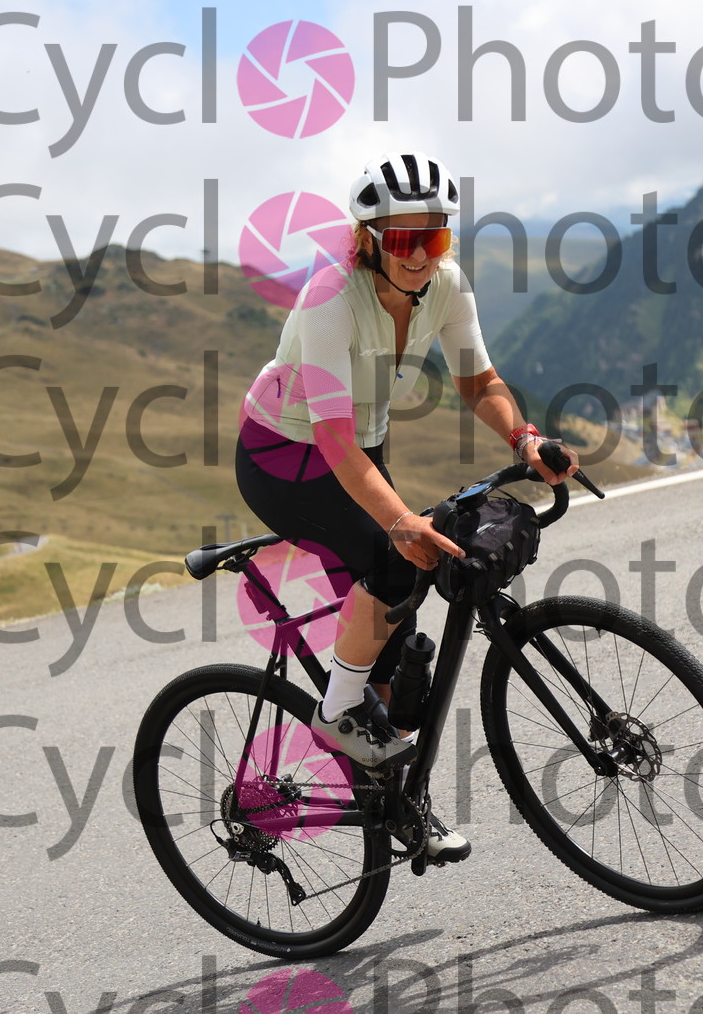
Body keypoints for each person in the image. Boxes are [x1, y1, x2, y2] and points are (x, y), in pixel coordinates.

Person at [234, 150, 579, 862]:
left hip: (362, 443)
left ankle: (395, 803)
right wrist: (398, 521)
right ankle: (336, 709)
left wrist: (525, 438)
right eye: (403, 238)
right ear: (369, 239)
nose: (421, 254)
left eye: (435, 236)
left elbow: (479, 380)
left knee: (396, 618)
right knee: (393, 560)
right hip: (284, 454)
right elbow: (331, 438)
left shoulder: (446, 284)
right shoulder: (330, 298)